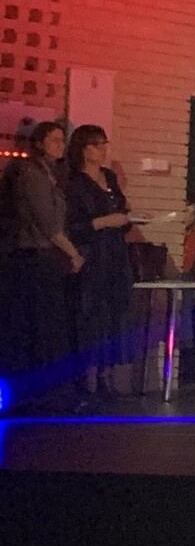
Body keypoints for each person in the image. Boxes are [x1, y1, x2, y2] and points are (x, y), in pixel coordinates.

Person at [1, 121, 85, 409]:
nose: (60, 145)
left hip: (45, 257)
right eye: (54, 140)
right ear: (39, 143)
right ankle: (44, 395)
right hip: (34, 258)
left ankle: (48, 393)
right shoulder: (32, 174)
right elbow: (49, 224)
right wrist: (73, 253)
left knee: (48, 326)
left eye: (62, 140)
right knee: (43, 327)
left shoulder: (52, 174)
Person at [65, 124, 137, 401]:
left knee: (114, 314)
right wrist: (105, 221)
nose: (103, 150)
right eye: (97, 145)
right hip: (93, 255)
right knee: (91, 316)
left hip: (115, 253)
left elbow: (121, 210)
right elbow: (74, 226)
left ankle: (107, 377)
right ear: (84, 149)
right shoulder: (76, 183)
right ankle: (87, 380)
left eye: (105, 144)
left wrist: (128, 218)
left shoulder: (109, 176)